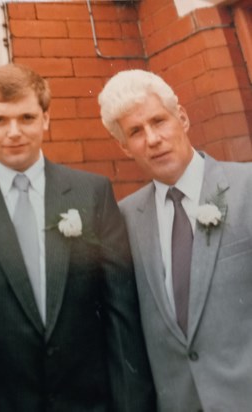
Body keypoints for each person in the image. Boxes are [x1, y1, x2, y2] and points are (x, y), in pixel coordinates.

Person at [0, 63, 155, 412]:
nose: (14, 132)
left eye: (26, 118)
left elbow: (121, 315)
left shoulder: (91, 192)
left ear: (45, 119)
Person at [98, 69, 252, 412]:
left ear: (181, 118)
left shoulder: (247, 189)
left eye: (158, 121)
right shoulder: (122, 219)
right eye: (136, 131)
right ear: (124, 146)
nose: (152, 139)